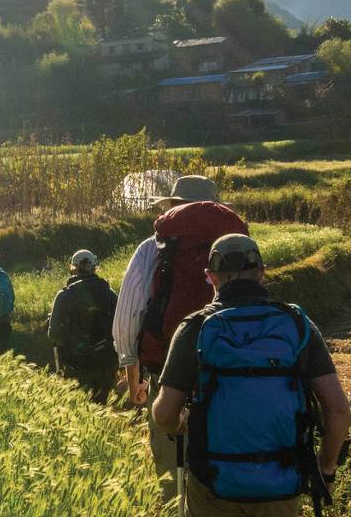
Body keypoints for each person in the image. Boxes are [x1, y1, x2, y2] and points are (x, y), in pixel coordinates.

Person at [151, 234, 350, 516]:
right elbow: (339, 409)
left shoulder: (194, 329)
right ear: (261, 273)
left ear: (211, 276)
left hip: (212, 485)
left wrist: (179, 424)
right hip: (280, 483)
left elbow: (163, 413)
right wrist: (326, 467)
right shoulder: (296, 325)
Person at [111, 174, 249, 498]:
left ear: (173, 208)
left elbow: (129, 316)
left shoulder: (152, 248)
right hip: (231, 373)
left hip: (167, 371)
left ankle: (176, 503)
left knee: (171, 468)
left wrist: (134, 382)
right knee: (223, 460)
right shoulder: (237, 251)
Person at [47, 249, 119, 402]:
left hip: (76, 365)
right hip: (105, 363)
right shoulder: (110, 293)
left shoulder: (65, 295)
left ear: (74, 268)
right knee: (102, 406)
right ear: (94, 267)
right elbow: (121, 326)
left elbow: (53, 333)